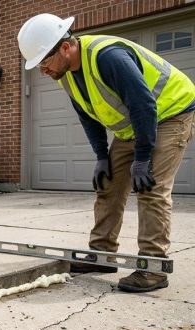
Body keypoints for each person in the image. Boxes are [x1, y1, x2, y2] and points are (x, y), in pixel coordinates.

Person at [18, 13, 195, 292]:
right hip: (133, 127)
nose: (42, 71)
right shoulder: (65, 74)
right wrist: (102, 156)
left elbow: (143, 104)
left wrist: (143, 158)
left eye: (44, 62)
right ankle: (102, 255)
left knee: (151, 188)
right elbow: (87, 116)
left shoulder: (107, 56)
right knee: (109, 185)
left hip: (171, 113)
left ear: (65, 48)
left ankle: (153, 268)